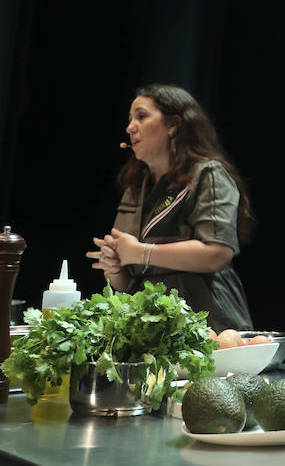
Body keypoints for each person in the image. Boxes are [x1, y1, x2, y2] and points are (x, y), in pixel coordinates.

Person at [86, 84, 254, 333]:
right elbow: (124, 282)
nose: (130, 127)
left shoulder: (207, 174)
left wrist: (141, 253)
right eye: (130, 119)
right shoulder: (136, 187)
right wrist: (115, 267)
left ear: (174, 124)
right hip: (149, 327)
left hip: (206, 324)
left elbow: (217, 253)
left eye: (142, 116)